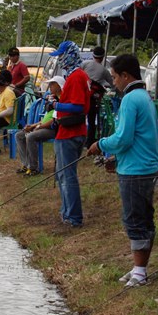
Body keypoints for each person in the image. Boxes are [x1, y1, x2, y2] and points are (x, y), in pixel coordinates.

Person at [87, 54, 158, 286]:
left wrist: (100, 145)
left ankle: (140, 272)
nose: (114, 82)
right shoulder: (144, 96)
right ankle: (140, 268)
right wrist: (117, 159)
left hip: (137, 170)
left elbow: (123, 138)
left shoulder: (130, 99)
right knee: (144, 217)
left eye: (116, 77)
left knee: (135, 220)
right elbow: (137, 137)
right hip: (141, 165)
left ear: (126, 76)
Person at [49, 40, 90, 227]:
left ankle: (73, 217)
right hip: (67, 132)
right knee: (63, 176)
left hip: (70, 134)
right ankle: (66, 213)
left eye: (61, 56)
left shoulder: (76, 77)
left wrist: (57, 105)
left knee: (68, 177)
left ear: (69, 55)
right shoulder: (74, 75)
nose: (59, 60)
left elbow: (78, 106)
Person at [15, 75, 63, 176]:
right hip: (44, 126)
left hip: (54, 129)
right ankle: (26, 164)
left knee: (31, 136)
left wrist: (38, 127)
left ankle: (33, 167)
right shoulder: (53, 100)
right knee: (19, 135)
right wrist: (33, 125)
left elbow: (55, 120)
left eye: (52, 84)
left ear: (59, 86)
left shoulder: (62, 100)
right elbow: (46, 118)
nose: (50, 87)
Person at [81, 46, 114, 146]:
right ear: (103, 57)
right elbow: (113, 84)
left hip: (82, 95)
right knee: (91, 120)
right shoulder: (104, 70)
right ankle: (90, 141)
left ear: (93, 55)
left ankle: (80, 139)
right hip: (93, 99)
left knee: (80, 118)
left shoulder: (85, 63)